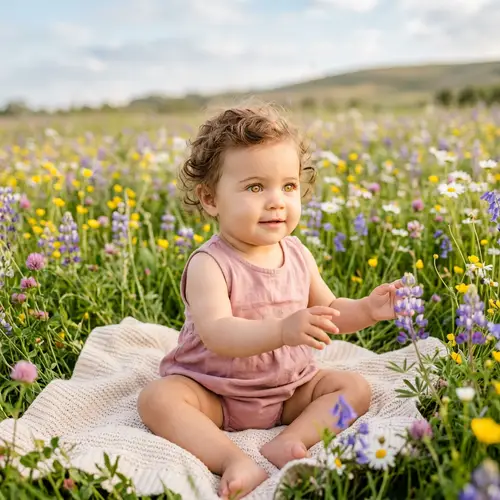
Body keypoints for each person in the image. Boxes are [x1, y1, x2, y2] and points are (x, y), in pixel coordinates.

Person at [137, 102, 402, 499]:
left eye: (288, 186)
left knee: (355, 388)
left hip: (288, 390)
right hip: (215, 392)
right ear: (210, 199)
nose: (277, 200)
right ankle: (231, 459)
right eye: (256, 187)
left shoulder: (297, 253)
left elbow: (330, 312)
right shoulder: (209, 263)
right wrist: (282, 330)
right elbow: (218, 334)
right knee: (157, 399)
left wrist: (366, 309)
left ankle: (290, 440)